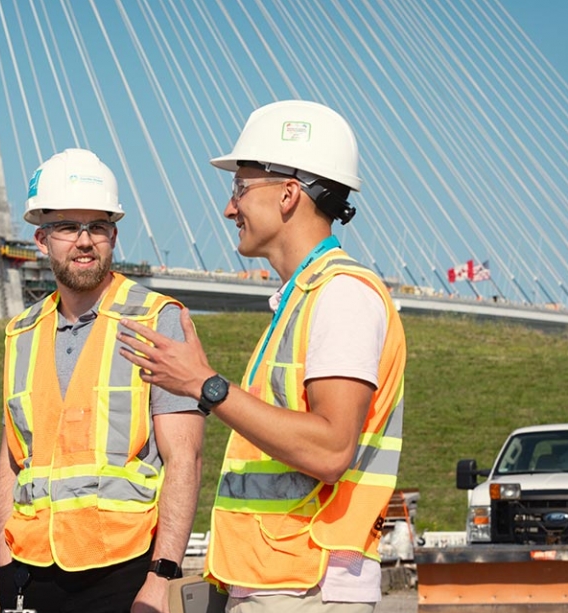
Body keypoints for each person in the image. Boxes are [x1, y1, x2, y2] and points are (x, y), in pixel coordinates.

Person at [118, 100, 407, 612]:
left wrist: (206, 387)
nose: (230, 209)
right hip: (279, 580)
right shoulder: (304, 299)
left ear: (290, 193)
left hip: (306, 585)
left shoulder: (340, 296)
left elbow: (330, 451)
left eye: (240, 189)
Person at [0, 148, 205, 613]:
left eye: (99, 227)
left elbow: (184, 458)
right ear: (41, 239)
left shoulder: (156, 319)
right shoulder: (21, 333)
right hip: (33, 567)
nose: (84, 240)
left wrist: (162, 576)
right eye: (68, 226)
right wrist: (6, 567)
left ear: (113, 236)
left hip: (126, 568)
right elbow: (13, 458)